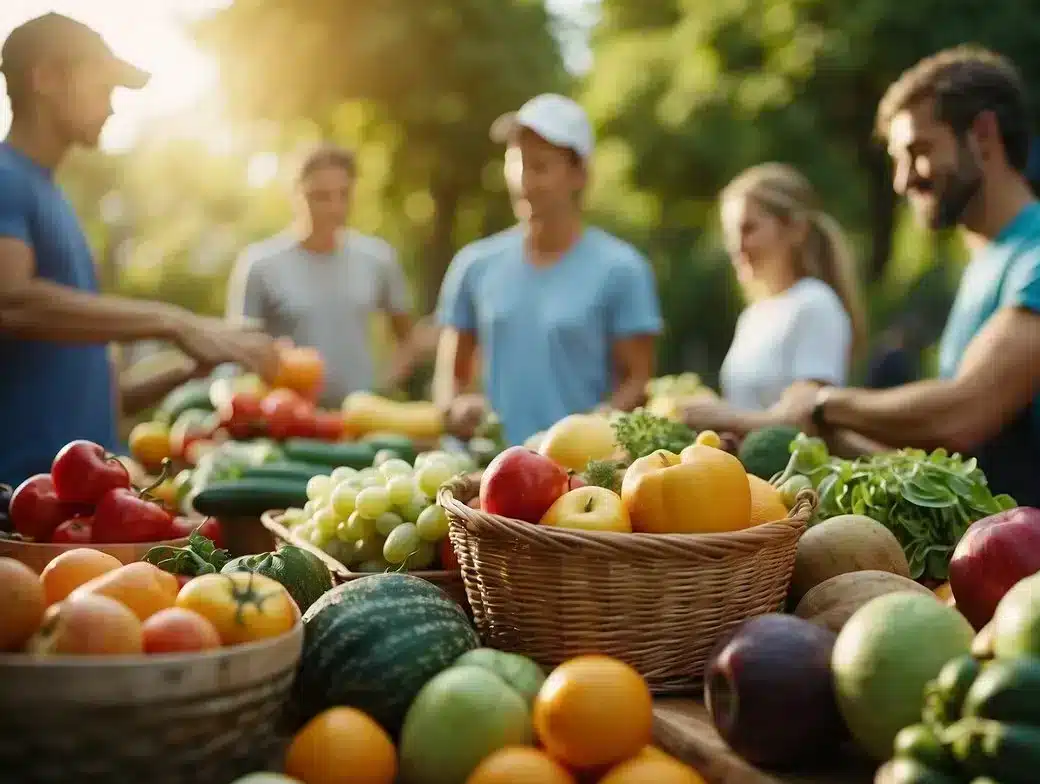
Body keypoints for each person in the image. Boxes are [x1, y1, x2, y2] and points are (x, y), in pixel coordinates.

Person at [698, 46, 1040, 519]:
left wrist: (822, 404)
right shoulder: (987, 264)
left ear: (982, 134)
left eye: (919, 151)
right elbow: (945, 457)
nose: (902, 181)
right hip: (990, 547)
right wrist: (799, 436)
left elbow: (963, 413)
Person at [0, 13, 278, 486]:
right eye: (102, 87)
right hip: (23, 503)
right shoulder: (6, 179)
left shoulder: (54, 199)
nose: (110, 108)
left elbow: (102, 392)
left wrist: (192, 362)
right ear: (44, 77)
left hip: (81, 501)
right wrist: (173, 321)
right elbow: (9, 301)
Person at [433, 93, 663, 445]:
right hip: (486, 475)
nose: (524, 181)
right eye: (516, 163)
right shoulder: (474, 265)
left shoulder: (622, 270)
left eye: (540, 167)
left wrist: (594, 429)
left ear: (579, 174)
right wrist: (456, 407)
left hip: (578, 481)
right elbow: (450, 379)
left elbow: (637, 381)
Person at [676, 163, 867, 433]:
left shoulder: (815, 304)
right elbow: (750, 410)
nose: (735, 245)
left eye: (748, 229)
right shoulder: (753, 315)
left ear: (795, 230)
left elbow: (805, 419)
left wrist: (720, 417)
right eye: (730, 232)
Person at [226, 144, 418, 408]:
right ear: (296, 194)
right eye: (321, 196)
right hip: (287, 419)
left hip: (359, 418)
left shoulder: (378, 258)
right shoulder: (259, 264)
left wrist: (382, 388)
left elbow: (407, 338)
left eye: (344, 195)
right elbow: (240, 353)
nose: (335, 207)